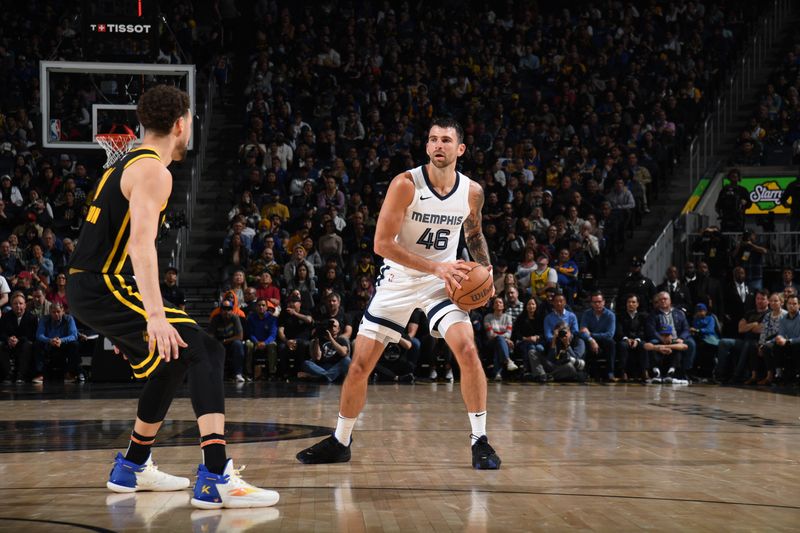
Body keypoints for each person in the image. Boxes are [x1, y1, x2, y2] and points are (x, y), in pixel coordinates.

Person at [65, 85, 278, 509]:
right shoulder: (153, 172)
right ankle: (216, 477)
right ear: (181, 124)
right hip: (103, 281)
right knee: (207, 351)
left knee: (175, 356)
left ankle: (132, 465)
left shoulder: (128, 161)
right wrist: (156, 316)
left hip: (92, 284)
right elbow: (140, 247)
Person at [296, 118, 502, 469]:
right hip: (400, 279)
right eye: (433, 139)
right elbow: (381, 245)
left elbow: (474, 233)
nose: (439, 145)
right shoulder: (405, 184)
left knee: (467, 349)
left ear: (460, 148)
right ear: (426, 146)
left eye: (446, 140)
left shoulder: (472, 192)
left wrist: (487, 269)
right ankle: (340, 440)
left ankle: (479, 440)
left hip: (444, 282)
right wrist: (436, 266)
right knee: (359, 365)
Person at [33, 302, 79, 383]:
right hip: (49, 344)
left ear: (63, 311)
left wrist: (61, 340)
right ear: (50, 312)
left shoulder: (69, 319)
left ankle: (70, 374)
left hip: (63, 344)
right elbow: (39, 335)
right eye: (53, 312)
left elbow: (73, 335)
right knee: (37, 344)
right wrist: (50, 340)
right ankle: (40, 374)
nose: (56, 314)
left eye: (58, 311)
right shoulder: (44, 319)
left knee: (74, 344)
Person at [0, 291, 37, 383]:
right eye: (15, 303)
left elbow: (31, 335)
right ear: (11, 305)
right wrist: (8, 339)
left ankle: (21, 376)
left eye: (20, 303)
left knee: (27, 345)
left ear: (25, 305)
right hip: (9, 343)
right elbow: (1, 333)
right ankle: (7, 375)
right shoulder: (6, 317)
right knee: (0, 346)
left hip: (24, 343)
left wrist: (18, 340)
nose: (18, 306)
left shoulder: (32, 317)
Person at [207, 300, 246, 383]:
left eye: (228, 309)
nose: (226, 311)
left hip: (231, 342)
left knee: (238, 344)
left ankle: (238, 374)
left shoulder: (235, 318)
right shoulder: (215, 318)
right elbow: (210, 335)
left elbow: (240, 336)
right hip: (219, 342)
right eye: (224, 309)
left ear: (232, 310)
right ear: (220, 310)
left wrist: (225, 340)